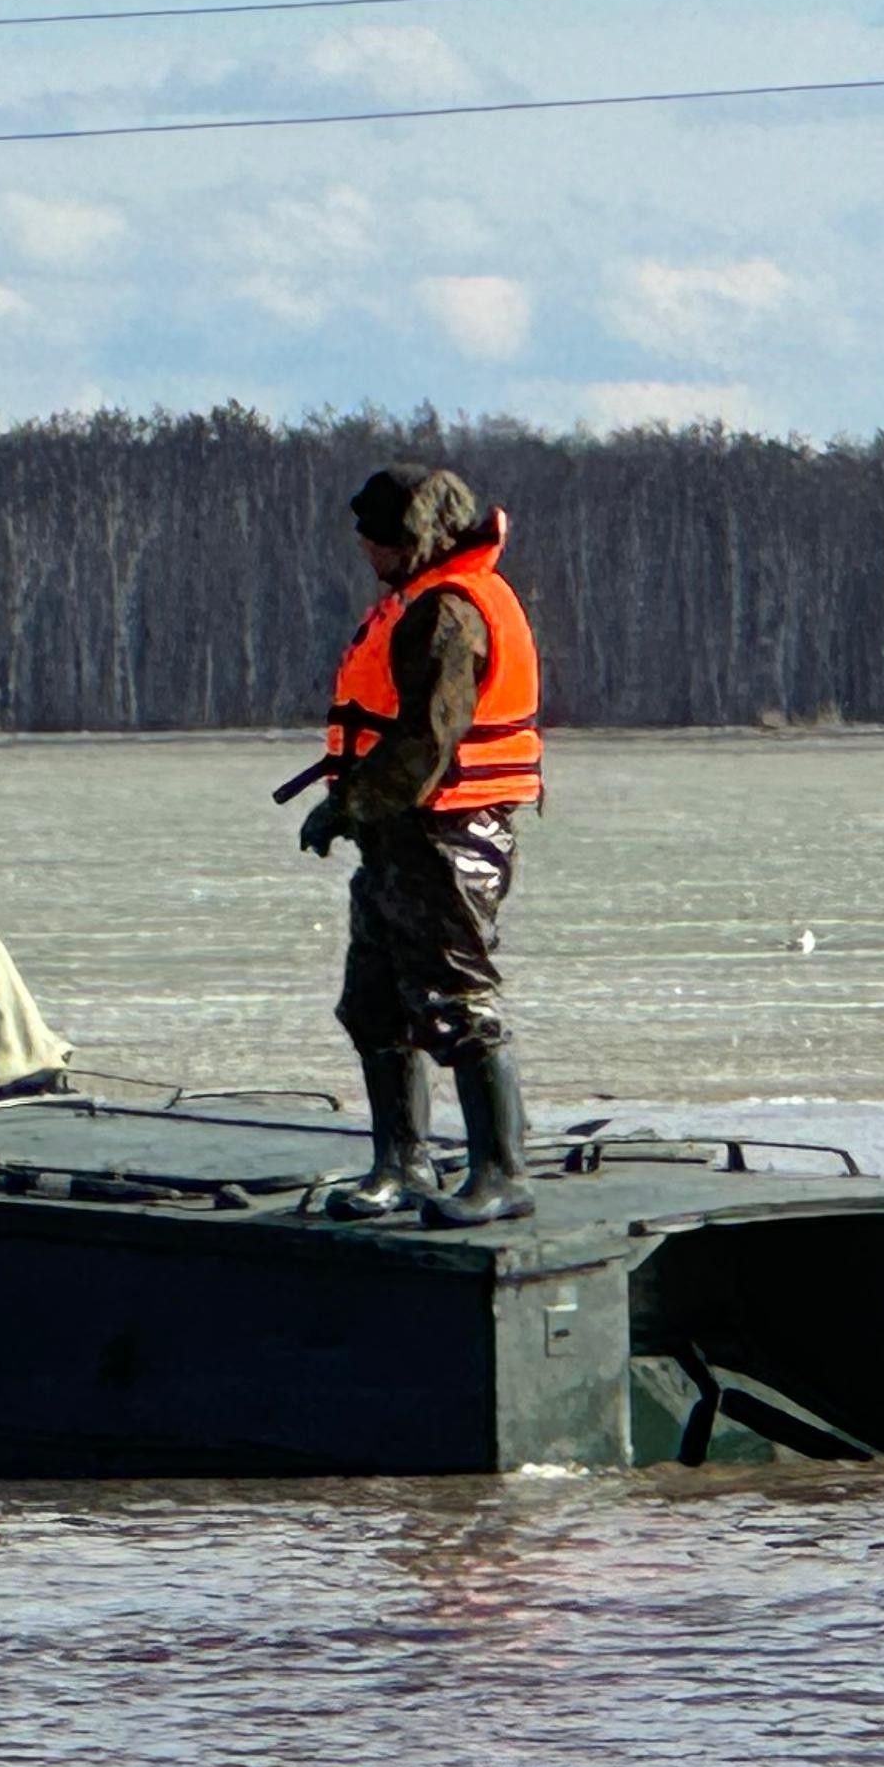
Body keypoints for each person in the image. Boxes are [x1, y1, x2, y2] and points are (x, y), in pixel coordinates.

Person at [297, 461, 545, 1224]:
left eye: (377, 539)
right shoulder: (418, 603)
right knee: (373, 1003)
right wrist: (359, 810)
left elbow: (427, 740)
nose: (366, 553)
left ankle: (500, 1172)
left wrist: (347, 805)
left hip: (450, 833)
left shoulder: (450, 613)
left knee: (458, 998)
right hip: (397, 836)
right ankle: (401, 1163)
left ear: (414, 540)